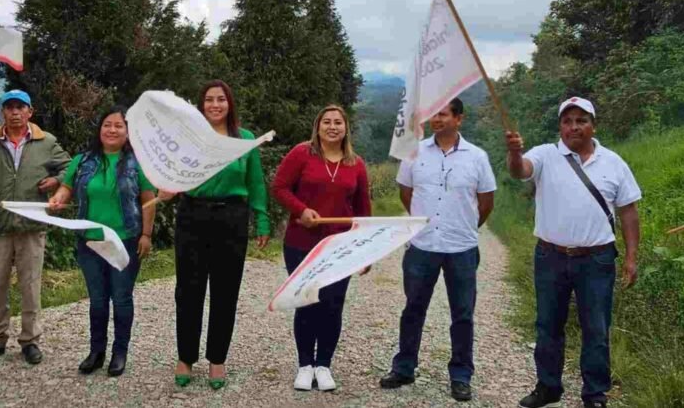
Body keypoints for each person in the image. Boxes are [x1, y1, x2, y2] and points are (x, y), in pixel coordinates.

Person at [506, 97, 640, 408]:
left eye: (581, 120)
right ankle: (548, 386)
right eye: (567, 121)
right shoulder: (545, 155)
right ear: (560, 126)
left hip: (597, 258)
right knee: (548, 324)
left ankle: (594, 394)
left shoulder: (614, 162)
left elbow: (629, 211)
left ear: (593, 125)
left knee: (596, 327)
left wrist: (632, 257)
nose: (574, 126)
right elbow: (520, 170)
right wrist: (514, 152)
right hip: (550, 256)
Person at [379, 98, 496, 402]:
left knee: (463, 314)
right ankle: (404, 367)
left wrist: (465, 225)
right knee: (413, 308)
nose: (436, 119)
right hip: (422, 245)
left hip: (462, 247)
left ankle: (461, 375)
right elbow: (406, 194)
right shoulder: (414, 153)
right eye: (433, 114)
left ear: (459, 118)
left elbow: (486, 202)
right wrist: (424, 222)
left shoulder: (477, 157)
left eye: (443, 114)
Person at [160, 80, 270, 389]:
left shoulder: (245, 139)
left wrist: (261, 219)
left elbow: (256, 183)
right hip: (192, 215)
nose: (215, 105)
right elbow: (171, 171)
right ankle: (185, 357)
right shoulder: (188, 137)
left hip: (231, 218)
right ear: (201, 105)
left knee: (225, 292)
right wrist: (165, 186)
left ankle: (218, 360)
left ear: (229, 104)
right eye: (209, 99)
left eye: (221, 99)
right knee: (188, 290)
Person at [0, 90, 71, 365]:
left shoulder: (47, 142)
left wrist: (56, 181)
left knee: (30, 285)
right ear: (3, 113)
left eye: (20, 107)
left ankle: (30, 341)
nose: (15, 112)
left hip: (32, 225)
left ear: (30, 112)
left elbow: (71, 167)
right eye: (9, 107)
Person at [48, 106, 156, 377]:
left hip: (125, 241)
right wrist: (59, 198)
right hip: (90, 243)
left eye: (119, 125)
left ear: (128, 132)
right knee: (97, 300)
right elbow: (67, 187)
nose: (112, 130)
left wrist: (146, 234)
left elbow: (147, 199)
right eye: (107, 124)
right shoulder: (83, 160)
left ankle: (120, 352)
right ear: (99, 129)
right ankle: (96, 351)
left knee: (121, 299)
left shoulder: (138, 162)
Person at [271, 104, 372, 392]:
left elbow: (364, 210)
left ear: (345, 128)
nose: (332, 126)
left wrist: (365, 252)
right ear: (317, 127)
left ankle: (324, 365)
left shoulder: (356, 164)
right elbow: (279, 187)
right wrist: (301, 210)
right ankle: (305, 365)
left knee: (332, 305)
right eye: (326, 122)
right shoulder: (301, 154)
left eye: (337, 122)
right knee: (306, 302)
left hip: (340, 247)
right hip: (301, 243)